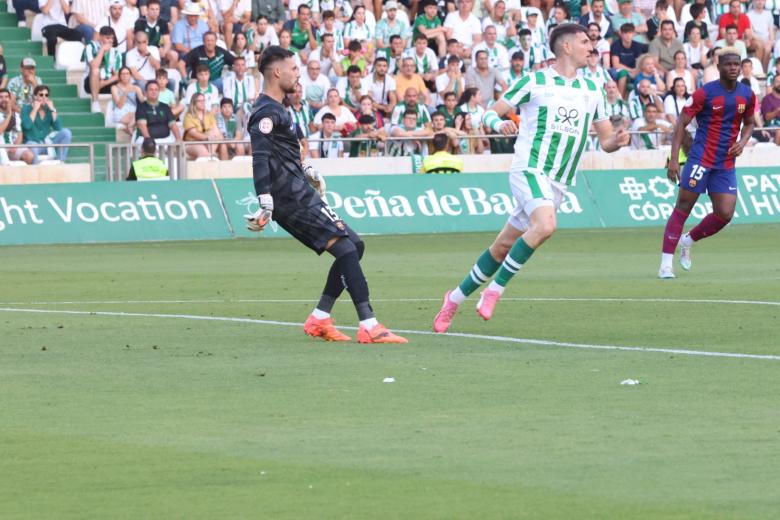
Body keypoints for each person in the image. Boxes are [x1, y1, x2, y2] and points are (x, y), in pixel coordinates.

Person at [432, 23, 629, 332]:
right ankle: (494, 291)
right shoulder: (534, 81)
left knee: (502, 246)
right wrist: (499, 125)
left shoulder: (592, 88)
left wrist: (616, 141)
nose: (590, 47)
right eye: (584, 41)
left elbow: (605, 141)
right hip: (529, 168)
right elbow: (489, 113)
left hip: (558, 181)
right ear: (565, 47)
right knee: (546, 225)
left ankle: (453, 299)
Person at [246, 46, 407, 344]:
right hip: (289, 198)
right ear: (277, 71)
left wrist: (307, 168)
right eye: (294, 68)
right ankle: (369, 324)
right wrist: (265, 201)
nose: (298, 73)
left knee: (354, 246)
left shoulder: (280, 108)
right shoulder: (266, 112)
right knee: (346, 249)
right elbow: (260, 158)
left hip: (299, 191)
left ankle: (320, 318)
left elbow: (286, 150)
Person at [658, 48, 755, 279]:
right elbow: (681, 122)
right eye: (728, 64)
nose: (733, 67)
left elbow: (750, 123)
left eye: (737, 64)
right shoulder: (705, 93)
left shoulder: (747, 94)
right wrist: (673, 159)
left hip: (726, 163)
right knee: (683, 207)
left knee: (725, 214)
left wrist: (742, 141)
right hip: (701, 159)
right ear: (718, 67)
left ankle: (688, 240)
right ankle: (665, 265)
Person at [21, 85, 73, 163]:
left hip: (47, 142)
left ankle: (60, 163)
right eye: (41, 95)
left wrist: (52, 109)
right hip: (33, 143)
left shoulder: (49, 109)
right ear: (35, 97)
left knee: (66, 132)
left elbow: (58, 128)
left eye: (46, 95)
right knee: (33, 146)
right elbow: (27, 126)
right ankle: (36, 171)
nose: (44, 97)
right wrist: (35, 109)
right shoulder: (26, 108)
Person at [84, 26, 123, 114]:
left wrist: (104, 83)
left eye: (112, 38)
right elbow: (94, 66)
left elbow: (118, 74)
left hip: (107, 82)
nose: (110, 41)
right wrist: (102, 50)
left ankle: (120, 112)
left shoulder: (116, 52)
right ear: (100, 37)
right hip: (90, 82)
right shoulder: (90, 47)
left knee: (124, 77)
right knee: (96, 71)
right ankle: (95, 102)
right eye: (107, 38)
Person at [183, 92, 222, 159]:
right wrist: (207, 137)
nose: (202, 102)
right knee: (203, 152)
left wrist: (216, 137)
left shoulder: (209, 115)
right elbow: (194, 133)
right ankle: (210, 156)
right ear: (194, 102)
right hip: (192, 142)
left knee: (222, 144)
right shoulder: (188, 116)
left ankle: (212, 155)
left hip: (208, 141)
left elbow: (216, 130)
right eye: (200, 101)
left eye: (204, 100)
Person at [0, 88, 34, 165]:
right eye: (1, 97)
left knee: (29, 156)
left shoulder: (16, 114)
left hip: (13, 145)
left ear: (9, 99)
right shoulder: (9, 114)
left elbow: (20, 133)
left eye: (6, 97)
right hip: (1, 147)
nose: (4, 99)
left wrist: (15, 146)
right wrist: (9, 114)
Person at [111, 67, 146, 135]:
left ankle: (130, 127)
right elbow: (119, 105)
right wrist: (126, 92)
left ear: (130, 75)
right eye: (123, 74)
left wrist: (147, 97)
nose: (125, 76)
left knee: (142, 114)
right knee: (139, 117)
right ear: (119, 76)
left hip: (133, 112)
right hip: (121, 111)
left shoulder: (136, 87)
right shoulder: (114, 87)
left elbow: (142, 101)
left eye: (127, 73)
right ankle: (130, 127)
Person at [760, 75, 780, 145]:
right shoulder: (767, 99)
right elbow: (766, 117)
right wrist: (777, 110)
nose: (779, 84)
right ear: (772, 84)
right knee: (779, 131)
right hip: (771, 124)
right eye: (777, 82)